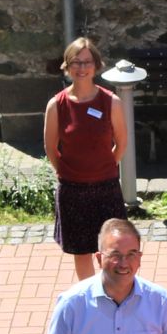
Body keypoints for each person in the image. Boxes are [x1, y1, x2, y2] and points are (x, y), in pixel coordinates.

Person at [43, 37, 129, 282]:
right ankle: (91, 300)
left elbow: (121, 143)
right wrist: (71, 173)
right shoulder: (56, 105)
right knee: (81, 252)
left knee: (112, 250)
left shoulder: (110, 101)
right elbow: (51, 148)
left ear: (96, 65)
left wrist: (104, 167)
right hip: (72, 190)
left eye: (87, 62)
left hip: (106, 188)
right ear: (67, 66)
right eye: (76, 62)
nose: (81, 68)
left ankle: (113, 293)